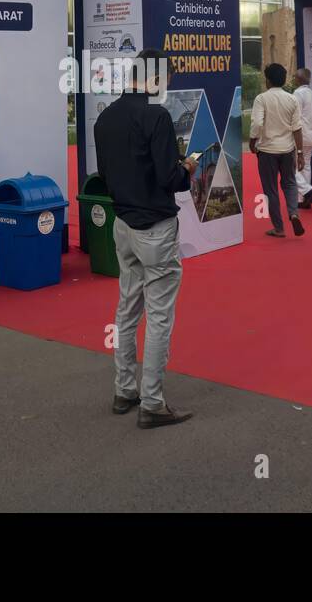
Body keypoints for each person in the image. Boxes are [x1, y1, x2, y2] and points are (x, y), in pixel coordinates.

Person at [93, 48, 197, 429]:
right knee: (159, 316)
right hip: (155, 226)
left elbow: (104, 173)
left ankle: (124, 390)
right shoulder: (156, 116)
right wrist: (186, 167)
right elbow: (170, 179)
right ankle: (152, 402)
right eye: (167, 79)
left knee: (126, 308)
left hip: (123, 225)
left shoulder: (105, 118)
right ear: (156, 78)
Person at [249, 63, 305, 238]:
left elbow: (257, 123)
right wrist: (300, 153)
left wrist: (252, 141)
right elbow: (297, 128)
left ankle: (279, 228)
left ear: (268, 80)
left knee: (270, 189)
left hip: (267, 151)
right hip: (288, 150)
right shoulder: (292, 99)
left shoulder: (261, 99)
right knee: (289, 183)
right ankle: (293, 213)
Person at [292, 67, 312, 208]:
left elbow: (294, 116)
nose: (293, 79)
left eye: (294, 77)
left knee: (291, 166)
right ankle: (302, 200)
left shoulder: (297, 93)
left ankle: (306, 191)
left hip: (300, 136)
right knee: (306, 166)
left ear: (299, 79)